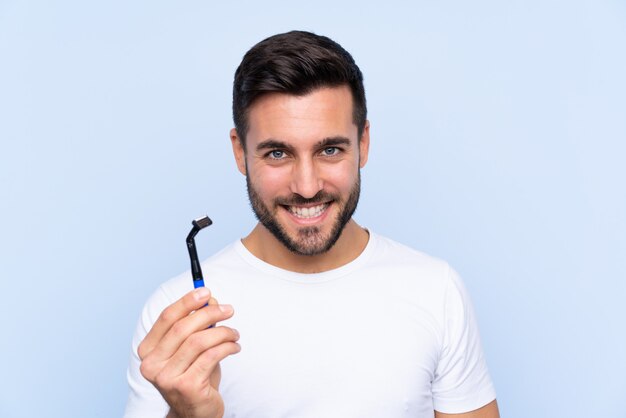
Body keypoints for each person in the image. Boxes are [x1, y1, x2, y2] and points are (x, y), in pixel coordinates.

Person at [124, 30, 499, 418]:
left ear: (364, 143)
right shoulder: (176, 318)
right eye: (278, 153)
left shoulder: (436, 290)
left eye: (330, 150)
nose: (307, 187)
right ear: (240, 152)